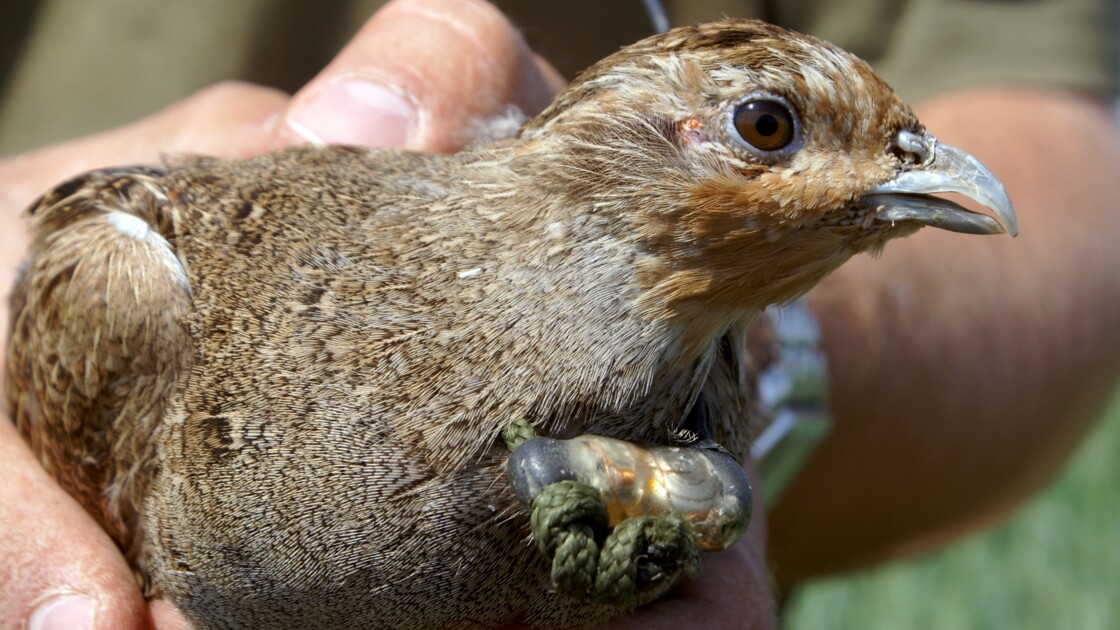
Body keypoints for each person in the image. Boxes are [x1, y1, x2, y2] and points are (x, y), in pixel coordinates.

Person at [1, 0, 1117, 628]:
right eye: (769, 131)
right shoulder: (157, 295)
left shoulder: (689, 447)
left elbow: (1065, 147)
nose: (930, 177)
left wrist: (774, 371)